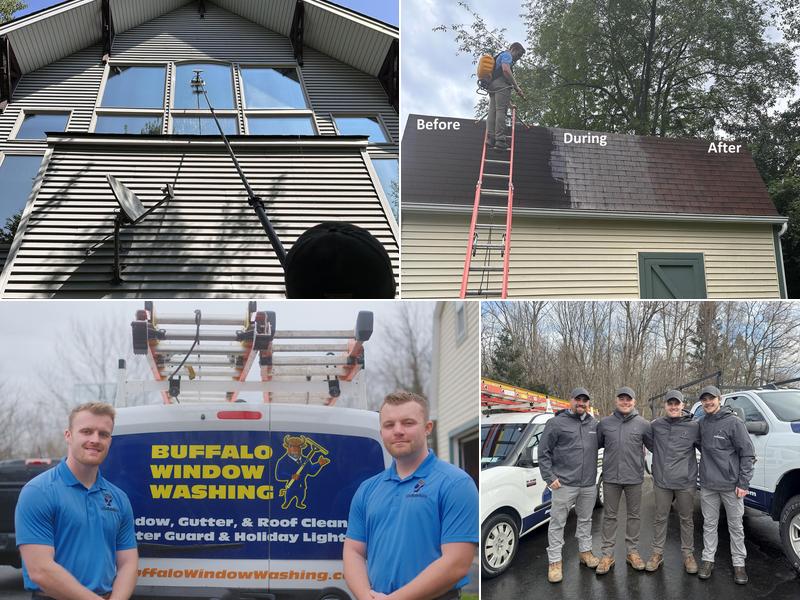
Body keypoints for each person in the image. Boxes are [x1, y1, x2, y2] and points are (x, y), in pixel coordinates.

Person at [343, 391, 477, 599]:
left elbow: (457, 563)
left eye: (408, 423)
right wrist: (365, 596)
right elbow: (354, 551)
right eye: (389, 425)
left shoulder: (455, 484)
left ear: (427, 428)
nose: (398, 431)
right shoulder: (367, 489)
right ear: (381, 432)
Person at [15, 402, 138, 600]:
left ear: (110, 440)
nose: (95, 440)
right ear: (68, 435)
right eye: (87, 431)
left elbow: (128, 564)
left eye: (103, 434)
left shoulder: (118, 498)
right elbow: (40, 570)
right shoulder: (38, 492)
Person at [538, 387, 601, 583]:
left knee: (585, 520)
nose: (581, 403)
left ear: (588, 403)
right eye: (578, 399)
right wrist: (550, 477)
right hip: (564, 484)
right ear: (570, 400)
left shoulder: (594, 425)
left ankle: (585, 552)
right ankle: (555, 562)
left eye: (585, 400)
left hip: (588, 484)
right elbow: (543, 452)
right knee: (557, 523)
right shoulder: (556, 423)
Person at [697, 385, 755, 585]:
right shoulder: (702, 424)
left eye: (711, 398)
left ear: (719, 399)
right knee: (709, 524)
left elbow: (748, 453)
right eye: (704, 399)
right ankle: (707, 559)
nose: (708, 402)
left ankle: (739, 563)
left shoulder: (734, 423)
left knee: (735, 526)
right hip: (708, 485)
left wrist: (743, 482)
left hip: (731, 486)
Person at [595, 386, 653, 575]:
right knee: (610, 517)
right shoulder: (604, 423)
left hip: (634, 479)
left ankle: (632, 552)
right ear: (616, 400)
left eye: (629, 399)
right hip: (611, 478)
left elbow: (654, 447)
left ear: (634, 401)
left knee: (634, 516)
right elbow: (596, 445)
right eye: (622, 399)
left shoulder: (643, 424)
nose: (625, 402)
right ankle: (607, 554)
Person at [646, 390, 700, 574]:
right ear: (665, 405)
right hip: (662, 482)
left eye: (677, 403)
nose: (673, 406)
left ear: (682, 405)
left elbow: (708, 448)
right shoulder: (656, 425)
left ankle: (688, 555)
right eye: (670, 403)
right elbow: (648, 443)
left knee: (686, 519)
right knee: (660, 518)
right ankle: (657, 553)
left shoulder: (693, 426)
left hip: (685, 483)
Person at [487, 42, 526, 150]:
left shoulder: (500, 56)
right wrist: (516, 87)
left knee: (492, 111)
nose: (518, 58)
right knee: (500, 111)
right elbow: (505, 69)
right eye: (518, 55)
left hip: (492, 85)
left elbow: (502, 96)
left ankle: (490, 139)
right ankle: (500, 139)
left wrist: (509, 104)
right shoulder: (507, 55)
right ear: (513, 49)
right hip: (501, 84)